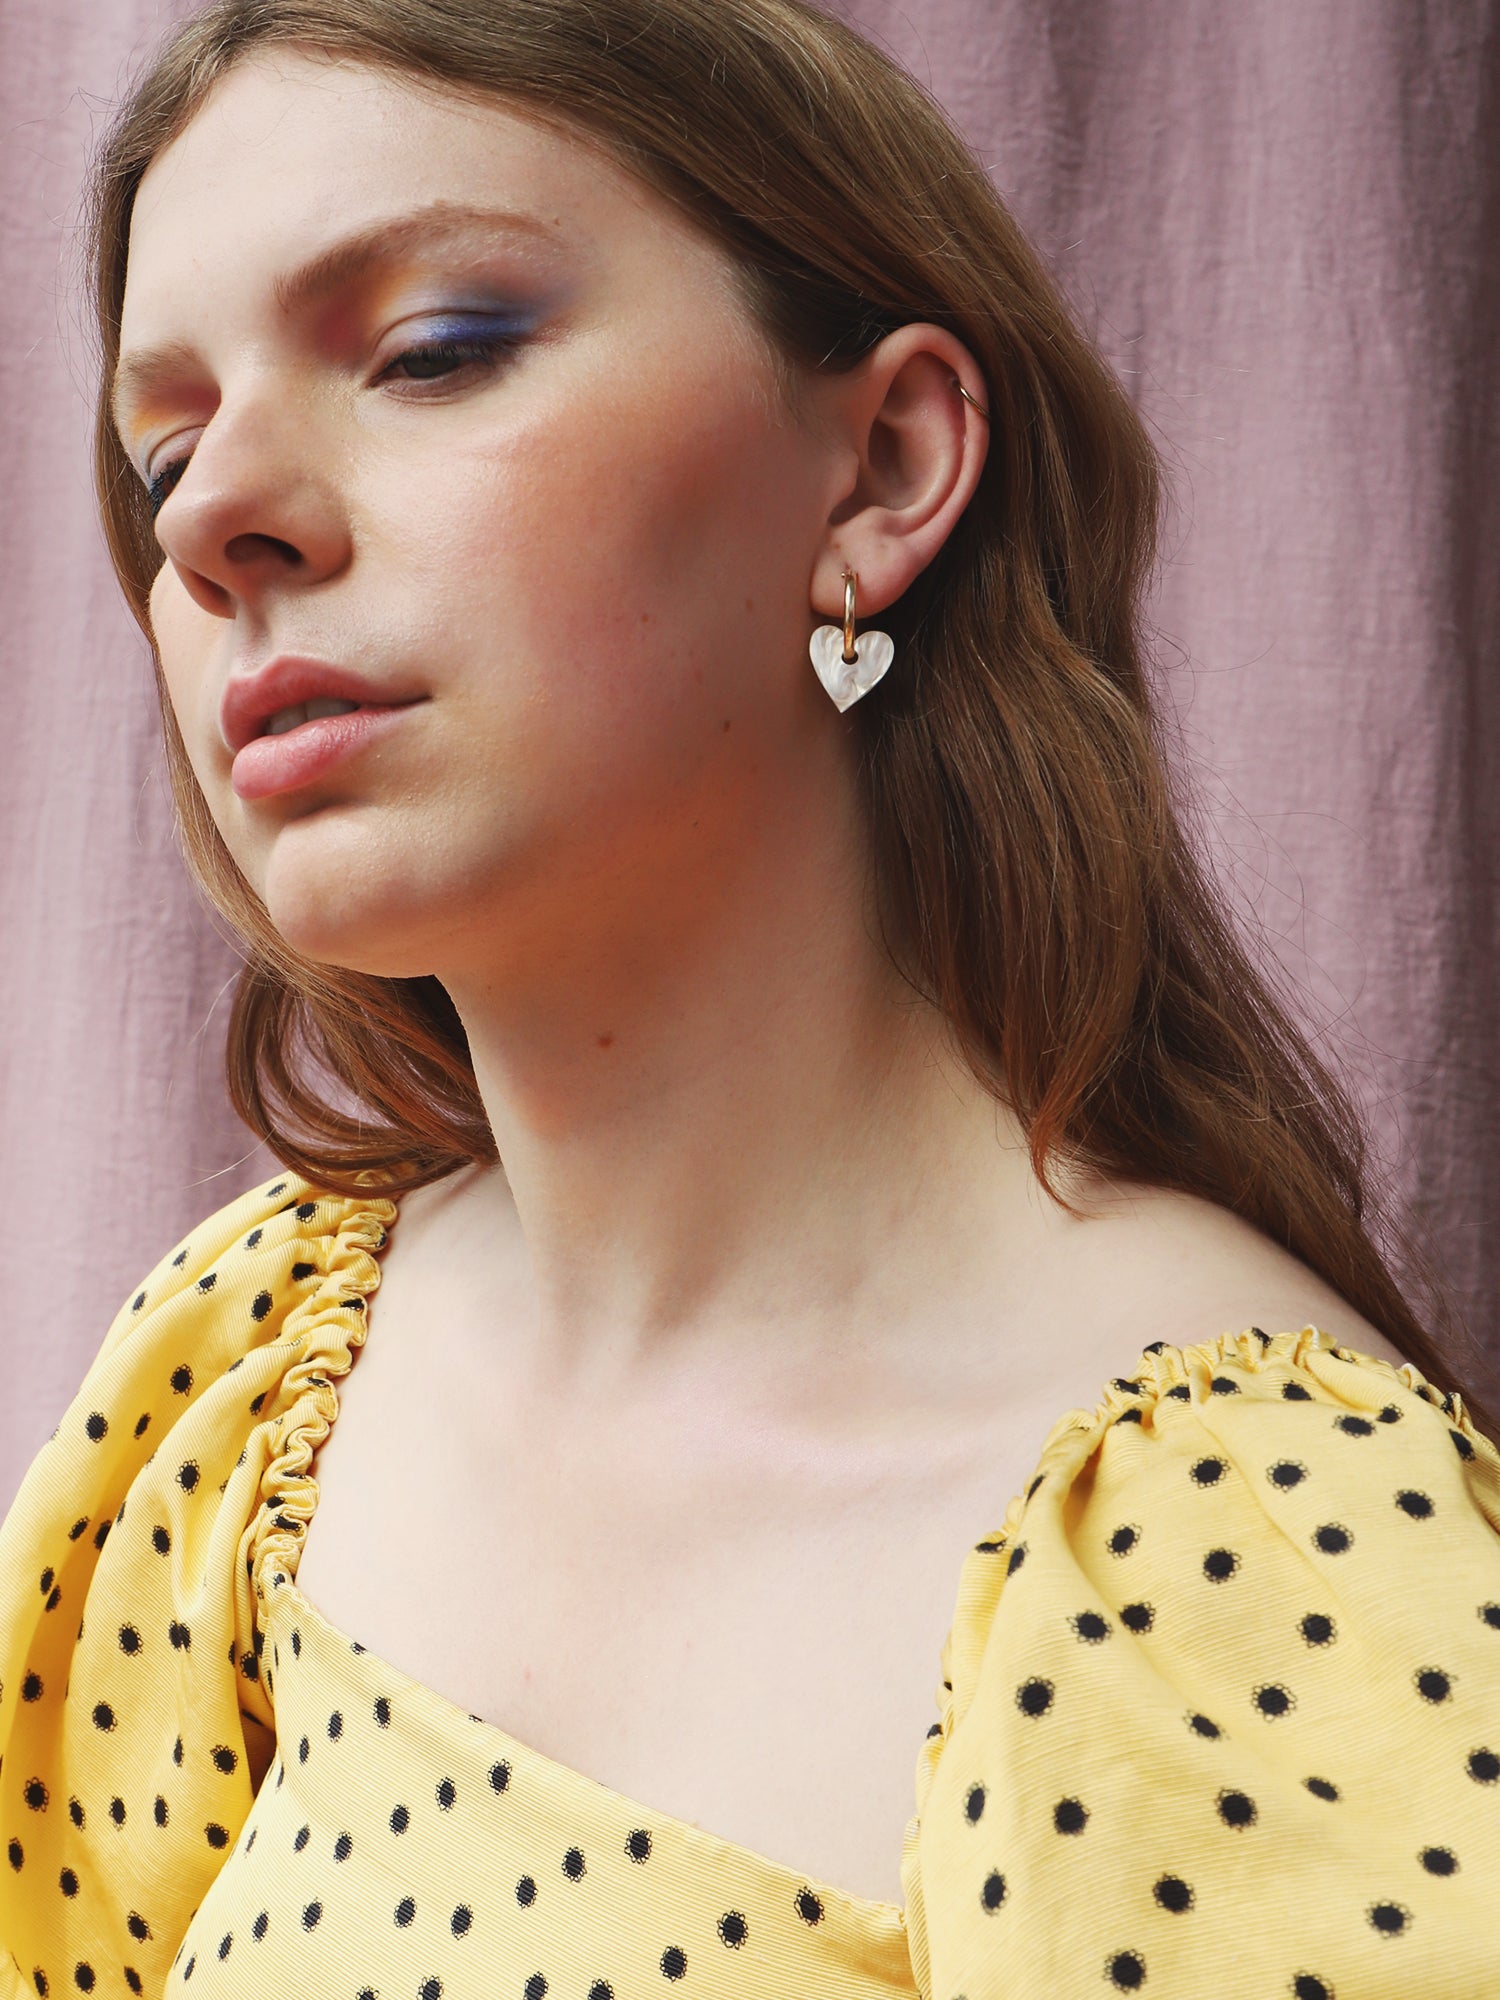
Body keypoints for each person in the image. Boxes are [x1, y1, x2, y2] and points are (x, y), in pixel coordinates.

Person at [3, 1, 1498, 1993]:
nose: (209, 523)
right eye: (164, 455)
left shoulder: (1231, 1565)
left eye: (433, 349)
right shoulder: (248, 1387)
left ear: (881, 466)